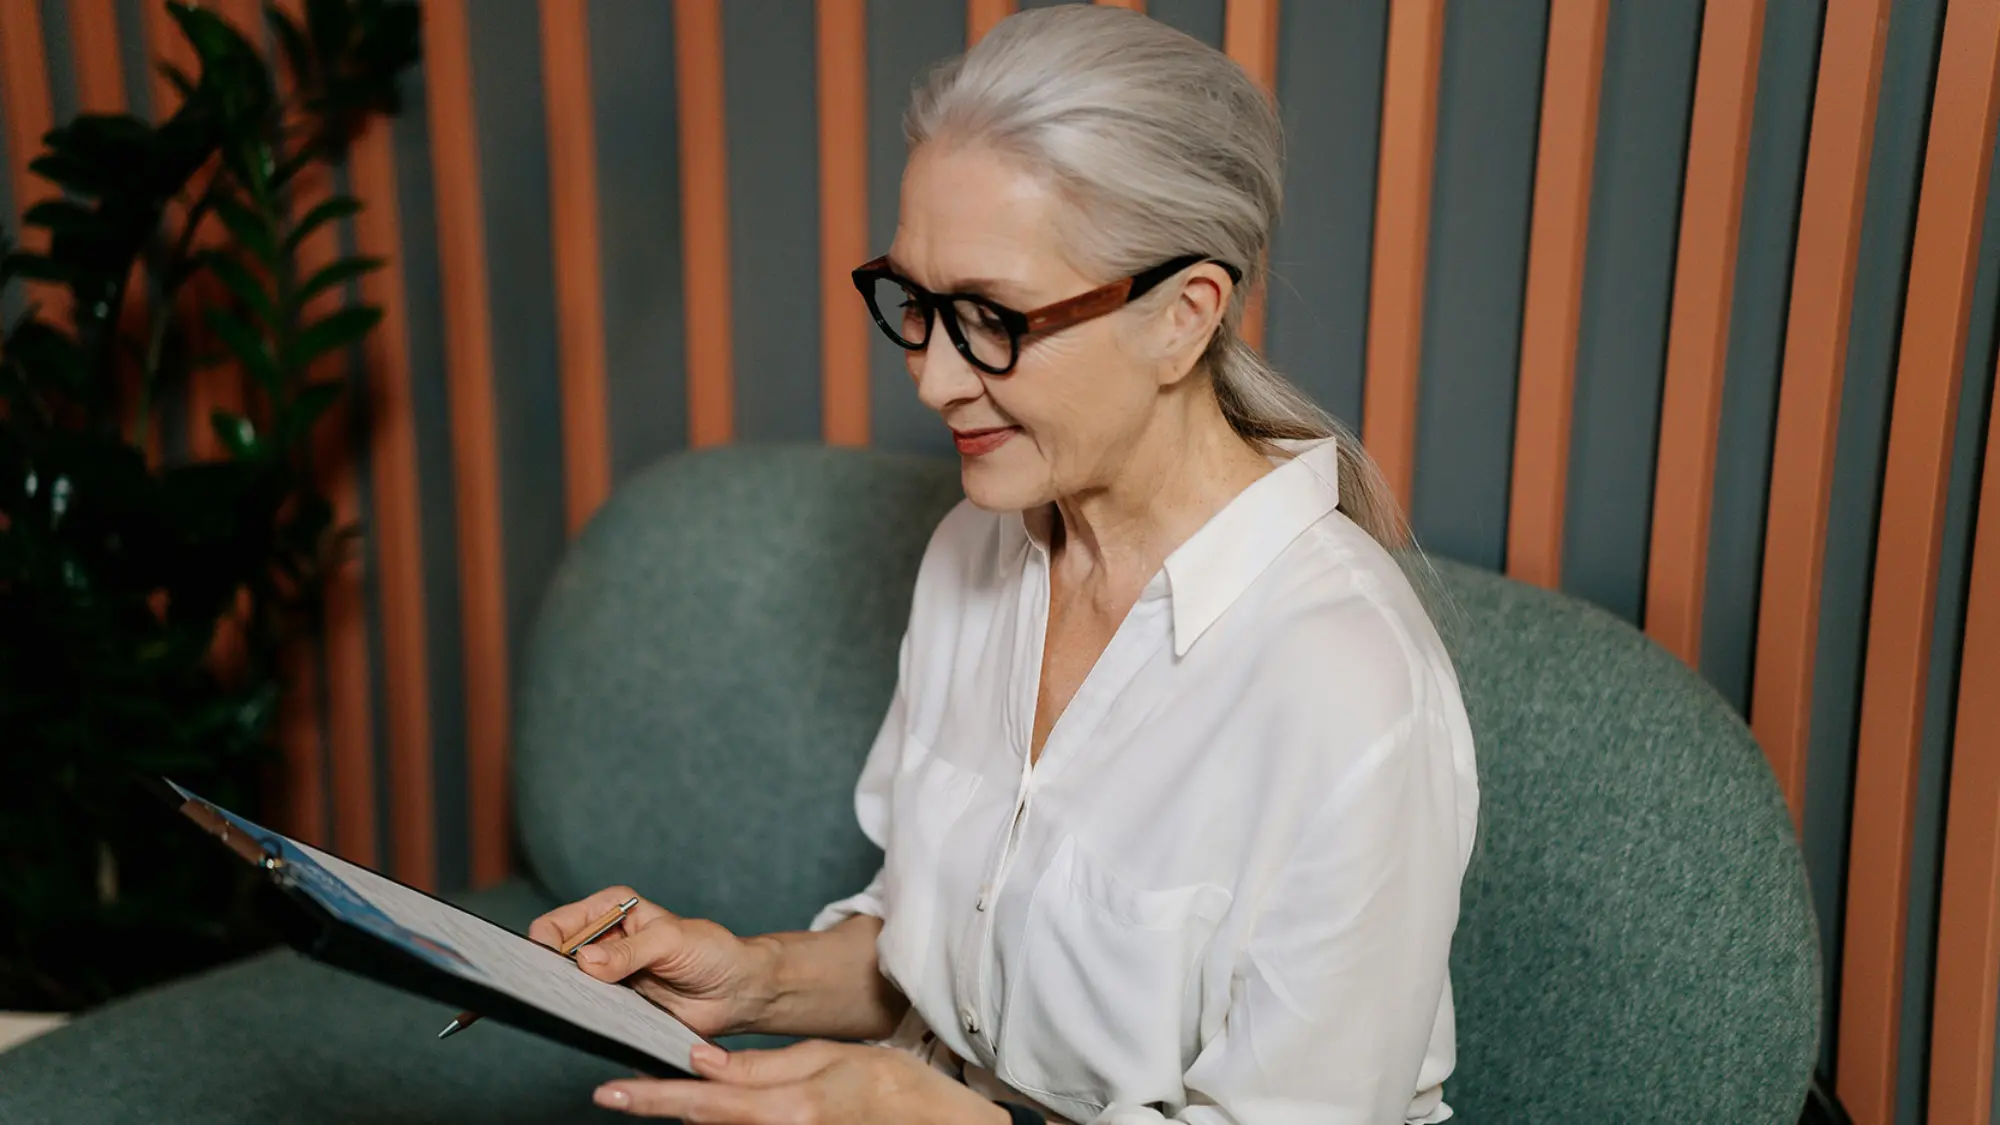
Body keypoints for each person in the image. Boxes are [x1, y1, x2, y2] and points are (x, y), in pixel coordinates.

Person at [532, 7, 1479, 1122]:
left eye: (991, 317)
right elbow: (945, 955)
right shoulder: (974, 552)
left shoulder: (1346, 684)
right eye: (919, 305)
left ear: (1182, 317)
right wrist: (759, 977)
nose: (933, 380)